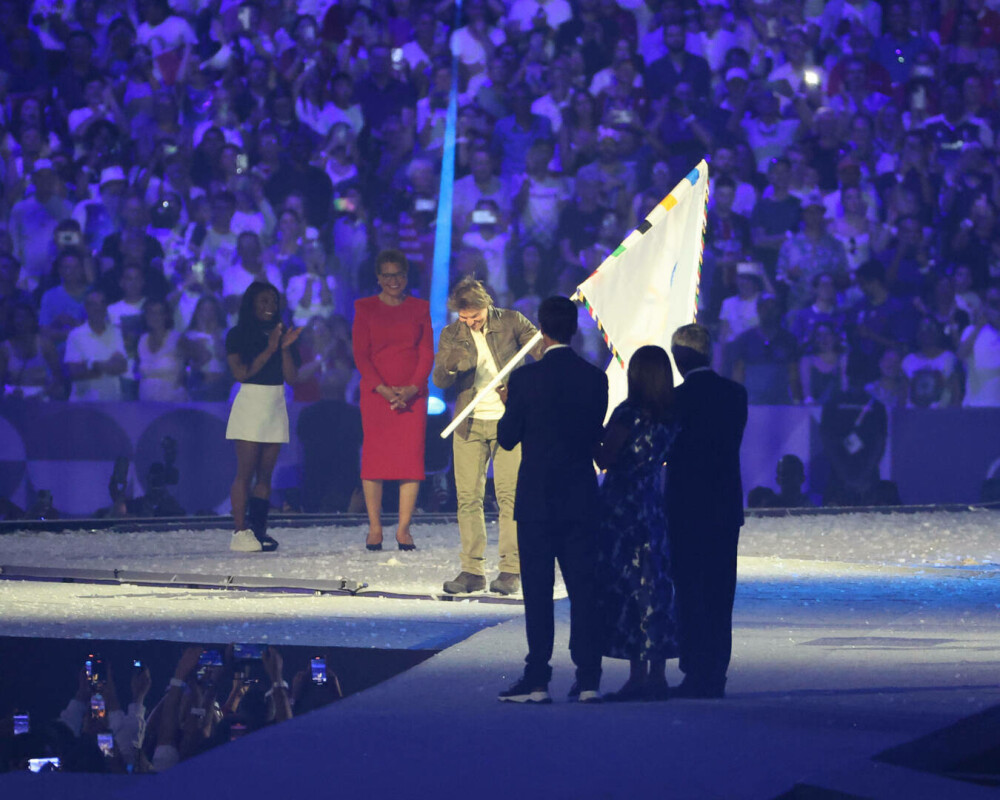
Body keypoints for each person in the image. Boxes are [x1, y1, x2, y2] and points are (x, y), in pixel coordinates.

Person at [496, 296, 608, 704]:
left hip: (538, 501)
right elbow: (593, 434)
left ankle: (538, 678)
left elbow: (507, 439)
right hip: (579, 497)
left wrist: (511, 406)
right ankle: (589, 677)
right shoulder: (595, 378)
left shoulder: (527, 380)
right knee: (583, 590)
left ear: (541, 331)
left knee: (539, 594)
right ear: (574, 329)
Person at [432, 277, 541, 595]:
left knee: (510, 498)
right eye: (464, 318)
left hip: (509, 422)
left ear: (487, 304)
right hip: (469, 423)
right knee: (467, 499)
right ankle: (472, 571)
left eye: (475, 316)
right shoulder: (452, 334)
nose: (470, 322)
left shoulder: (511, 321)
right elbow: (439, 379)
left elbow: (541, 353)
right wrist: (452, 363)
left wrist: (521, 389)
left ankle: (510, 571)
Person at [666, 324, 748, 699]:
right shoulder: (735, 394)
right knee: (720, 591)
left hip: (685, 507)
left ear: (679, 358)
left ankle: (696, 668)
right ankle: (716, 671)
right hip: (723, 507)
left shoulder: (674, 400)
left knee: (689, 590)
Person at [594, 345, 679, 702]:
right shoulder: (671, 415)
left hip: (623, 505)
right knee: (655, 584)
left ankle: (636, 674)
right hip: (652, 502)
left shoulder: (629, 412)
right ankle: (657, 672)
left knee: (629, 585)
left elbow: (606, 456)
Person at [351, 249, 433, 552]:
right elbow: (361, 353)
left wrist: (412, 389)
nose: (393, 280)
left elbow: (426, 351)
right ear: (378, 278)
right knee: (374, 460)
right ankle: (374, 528)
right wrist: (383, 389)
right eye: (387, 275)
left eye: (398, 274)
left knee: (410, 460)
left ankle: (403, 529)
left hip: (412, 395)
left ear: (406, 276)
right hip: (376, 395)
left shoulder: (419, 308)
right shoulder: (365, 307)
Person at [225, 281, 301, 553]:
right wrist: (270, 347)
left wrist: (283, 348)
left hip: (275, 402)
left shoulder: (282, 334)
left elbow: (293, 378)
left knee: (265, 475)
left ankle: (258, 530)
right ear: (252, 304)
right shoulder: (237, 334)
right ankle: (239, 530)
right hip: (251, 401)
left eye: (273, 302)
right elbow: (242, 373)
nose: (270, 308)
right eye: (263, 302)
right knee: (245, 472)